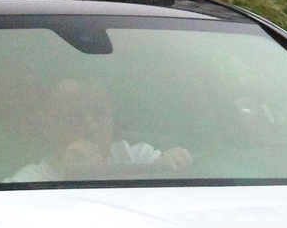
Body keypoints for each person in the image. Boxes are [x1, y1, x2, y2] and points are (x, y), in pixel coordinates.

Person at [10, 78, 192, 182]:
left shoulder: (135, 157)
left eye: (100, 114)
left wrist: (173, 160)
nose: (91, 127)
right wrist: (69, 178)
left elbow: (168, 181)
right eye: (76, 116)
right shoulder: (26, 182)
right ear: (49, 127)